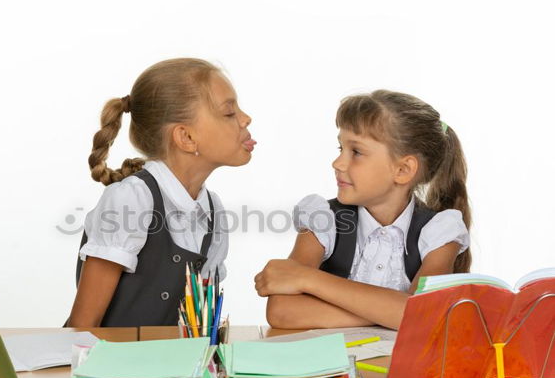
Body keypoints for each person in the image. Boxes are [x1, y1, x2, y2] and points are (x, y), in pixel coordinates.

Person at [255, 90, 470, 330]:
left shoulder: (439, 231)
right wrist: (393, 314)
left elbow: (425, 315)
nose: (337, 163)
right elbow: (282, 311)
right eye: (340, 149)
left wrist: (307, 279)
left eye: (356, 152)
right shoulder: (322, 219)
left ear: (403, 170)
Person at [67, 58, 255, 327]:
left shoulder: (213, 210)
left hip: (169, 366)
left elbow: (197, 325)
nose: (246, 119)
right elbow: (82, 326)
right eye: (229, 113)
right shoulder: (131, 199)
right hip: (107, 366)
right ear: (186, 138)